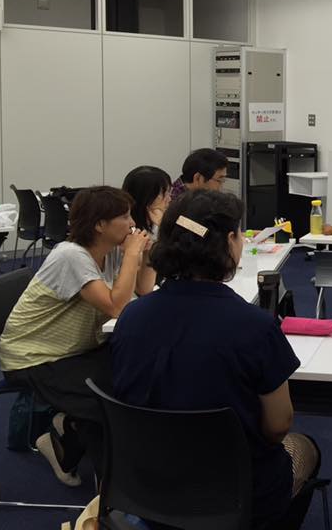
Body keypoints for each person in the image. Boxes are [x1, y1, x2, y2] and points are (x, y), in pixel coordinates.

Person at [110, 190, 321, 530]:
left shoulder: (131, 317)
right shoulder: (255, 326)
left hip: (149, 488)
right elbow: (278, 426)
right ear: (229, 242)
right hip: (236, 494)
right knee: (305, 447)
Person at [0, 187, 151, 485]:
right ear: (100, 224)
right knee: (109, 402)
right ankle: (113, 488)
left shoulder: (111, 251)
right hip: (33, 356)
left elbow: (143, 290)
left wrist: (146, 256)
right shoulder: (71, 255)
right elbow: (116, 306)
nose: (132, 223)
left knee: (136, 374)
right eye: (124, 216)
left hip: (76, 349)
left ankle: (68, 431)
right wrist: (133, 254)